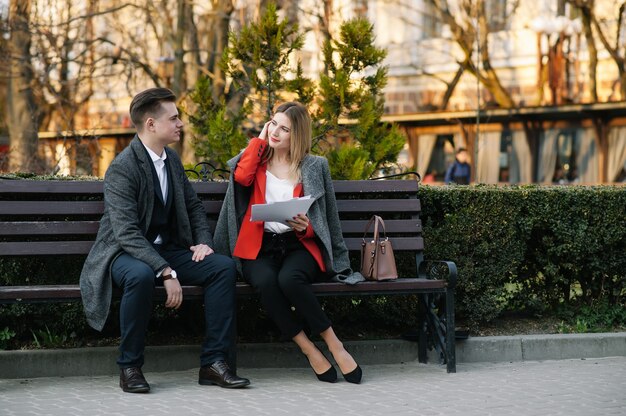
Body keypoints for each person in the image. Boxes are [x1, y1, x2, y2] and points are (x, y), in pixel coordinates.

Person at [79, 87, 250, 393]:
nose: (180, 123)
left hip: (168, 249)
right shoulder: (123, 168)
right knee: (141, 275)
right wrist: (166, 271)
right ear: (151, 124)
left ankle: (213, 363)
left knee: (222, 267)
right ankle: (129, 367)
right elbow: (127, 233)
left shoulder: (170, 159)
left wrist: (202, 242)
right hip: (123, 254)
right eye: (173, 118)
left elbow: (194, 206)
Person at [214, 102, 365, 384]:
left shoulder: (314, 166)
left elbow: (326, 217)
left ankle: (335, 345)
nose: (276, 132)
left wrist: (306, 228)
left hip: (298, 245)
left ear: (297, 136)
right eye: (273, 123)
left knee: (291, 280)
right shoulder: (254, 159)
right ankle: (309, 350)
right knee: (268, 283)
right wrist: (259, 141)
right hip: (258, 247)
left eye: (285, 129)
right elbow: (241, 177)